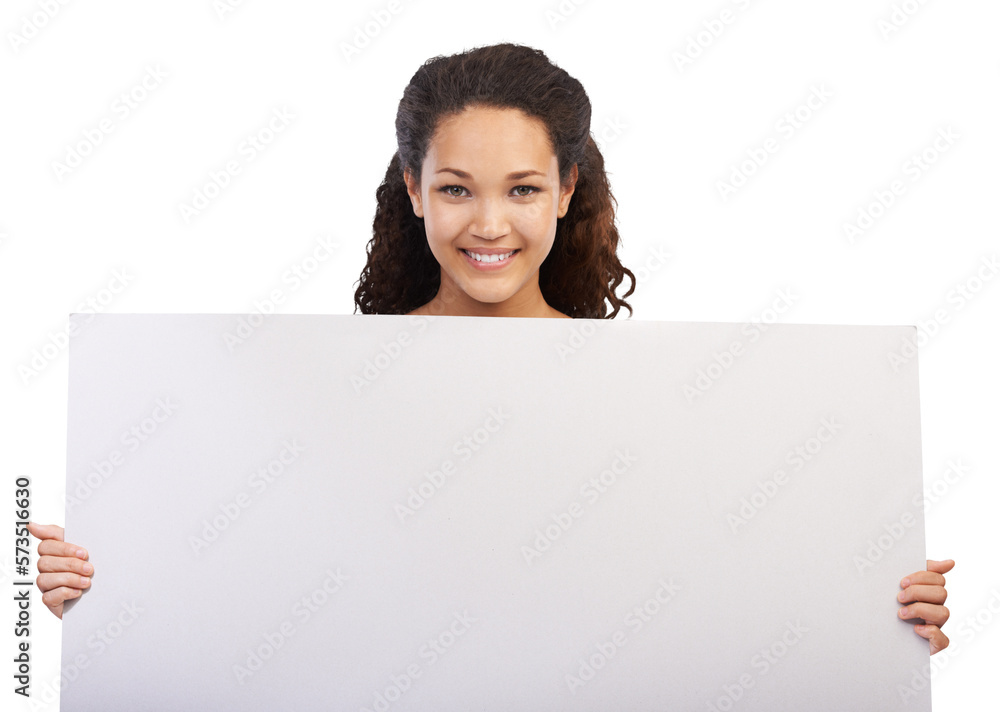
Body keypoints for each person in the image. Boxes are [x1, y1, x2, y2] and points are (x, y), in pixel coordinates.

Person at [28, 42, 954, 654]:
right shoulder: (318, 396)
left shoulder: (655, 403)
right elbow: (259, 595)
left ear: (565, 189)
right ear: (414, 189)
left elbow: (710, 595)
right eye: (458, 187)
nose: (489, 224)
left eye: (520, 189)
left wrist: (872, 600)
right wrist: (89, 592)